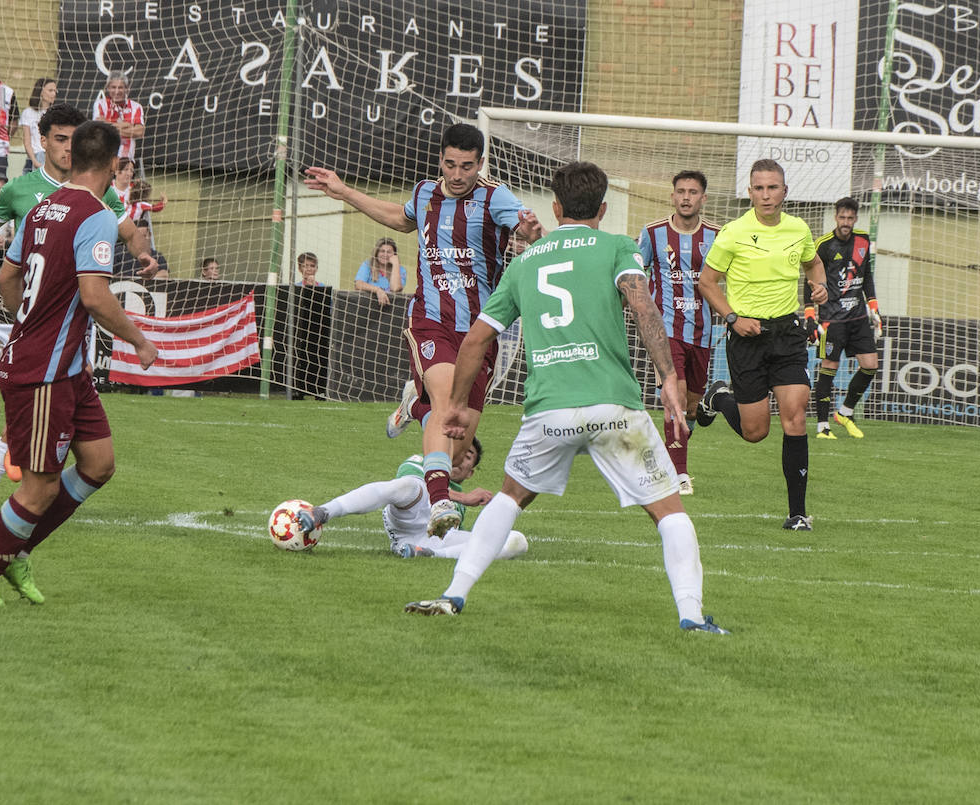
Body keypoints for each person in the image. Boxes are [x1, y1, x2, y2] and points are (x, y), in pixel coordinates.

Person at [402, 161, 726, 633]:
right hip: (613, 405)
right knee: (668, 510)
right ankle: (692, 617)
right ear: (603, 207)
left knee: (510, 499)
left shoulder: (525, 262)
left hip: (549, 411)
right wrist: (668, 378)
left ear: (555, 208)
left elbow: (473, 342)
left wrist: (452, 407)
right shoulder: (617, 246)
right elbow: (642, 305)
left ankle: (454, 593)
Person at [0, 120, 160, 607]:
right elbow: (95, 296)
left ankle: (15, 549)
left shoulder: (43, 208)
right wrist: (140, 342)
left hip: (62, 366)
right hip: (43, 369)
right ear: (112, 166)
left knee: (98, 463)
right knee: (41, 486)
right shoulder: (98, 214)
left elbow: (7, 278)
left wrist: (30, 317)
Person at [304, 122, 542, 530]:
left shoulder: (495, 197)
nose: (457, 174)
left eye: (467, 166)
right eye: (450, 164)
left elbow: (531, 231)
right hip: (431, 320)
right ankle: (439, 504)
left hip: (481, 330)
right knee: (448, 403)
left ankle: (414, 404)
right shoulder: (425, 192)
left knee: (457, 441)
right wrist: (343, 191)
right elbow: (400, 218)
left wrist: (533, 234)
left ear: (480, 163)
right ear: (441, 160)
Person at [696, 159, 828, 532]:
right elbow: (707, 282)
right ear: (750, 192)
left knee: (796, 417)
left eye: (773, 188)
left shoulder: (799, 228)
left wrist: (819, 286)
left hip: (787, 335)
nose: (766, 195)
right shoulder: (734, 233)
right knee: (756, 432)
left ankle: (798, 514)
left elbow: (813, 264)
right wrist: (734, 319)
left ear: (784, 192)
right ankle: (719, 396)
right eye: (759, 188)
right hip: (746, 337)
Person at [298, 438, 528, 559]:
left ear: (470, 473)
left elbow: (453, 534)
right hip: (407, 517)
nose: (460, 457)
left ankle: (428, 555)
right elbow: (425, 486)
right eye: (459, 449)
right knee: (407, 485)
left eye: (468, 456)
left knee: (516, 541)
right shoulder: (422, 461)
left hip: (430, 539)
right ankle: (324, 511)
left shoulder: (464, 504)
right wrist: (464, 497)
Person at [637, 170, 721, 496]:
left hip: (702, 331)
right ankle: (679, 475)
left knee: (691, 405)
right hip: (664, 331)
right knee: (675, 395)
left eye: (693, 192)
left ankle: (702, 412)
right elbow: (634, 271)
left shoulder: (717, 236)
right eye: (681, 191)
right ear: (672, 196)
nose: (686, 197)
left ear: (703, 198)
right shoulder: (652, 233)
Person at [807, 197, 881, 440]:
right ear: (835, 217)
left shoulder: (863, 240)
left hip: (858, 316)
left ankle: (845, 412)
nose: (846, 222)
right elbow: (808, 281)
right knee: (829, 368)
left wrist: (874, 307)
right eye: (842, 217)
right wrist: (810, 315)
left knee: (870, 364)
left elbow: (866, 275)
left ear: (855, 219)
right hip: (832, 318)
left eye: (850, 218)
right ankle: (822, 427)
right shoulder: (824, 245)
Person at [92, 72, 146, 164]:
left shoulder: (136, 107)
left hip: (126, 161)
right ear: (108, 88)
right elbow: (99, 129)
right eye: (113, 87)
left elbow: (140, 132)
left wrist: (108, 125)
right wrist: (127, 125)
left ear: (127, 89)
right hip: (104, 159)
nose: (117, 91)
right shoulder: (100, 104)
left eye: (120, 87)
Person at [354, 237, 405, 306]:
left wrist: (396, 264)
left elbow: (395, 289)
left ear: (394, 254)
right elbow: (358, 284)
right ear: (377, 253)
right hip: (367, 306)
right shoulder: (367, 265)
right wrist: (378, 290)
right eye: (382, 251)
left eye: (389, 252)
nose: (385, 254)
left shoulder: (400, 270)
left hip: (390, 308)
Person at [19, 78, 56, 173]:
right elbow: (27, 141)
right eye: (50, 90)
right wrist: (34, 161)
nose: (54, 94)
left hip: (50, 157)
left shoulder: (55, 113)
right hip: (34, 156)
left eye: (55, 91)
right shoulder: (28, 112)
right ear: (41, 92)